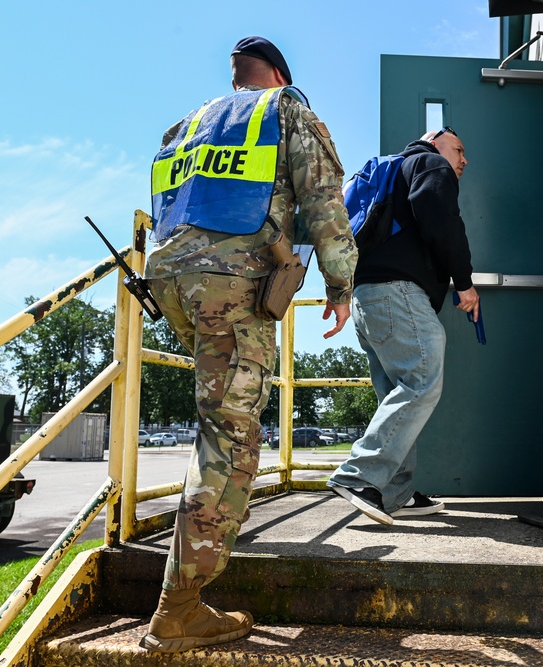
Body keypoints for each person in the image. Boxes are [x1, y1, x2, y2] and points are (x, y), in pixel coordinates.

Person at [140, 36, 357, 653]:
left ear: (235, 77)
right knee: (231, 437)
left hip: (175, 282)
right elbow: (321, 199)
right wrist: (340, 283)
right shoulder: (285, 109)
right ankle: (178, 608)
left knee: (216, 422)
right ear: (278, 75)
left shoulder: (188, 126)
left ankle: (184, 594)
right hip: (233, 285)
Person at [328, 127, 479, 526]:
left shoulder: (390, 172)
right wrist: (463, 282)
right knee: (422, 377)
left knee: (395, 393)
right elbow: (438, 214)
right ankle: (359, 476)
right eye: (459, 150)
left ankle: (394, 492)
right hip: (395, 294)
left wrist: (340, 291)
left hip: (367, 299)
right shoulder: (429, 163)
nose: (463, 160)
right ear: (435, 142)